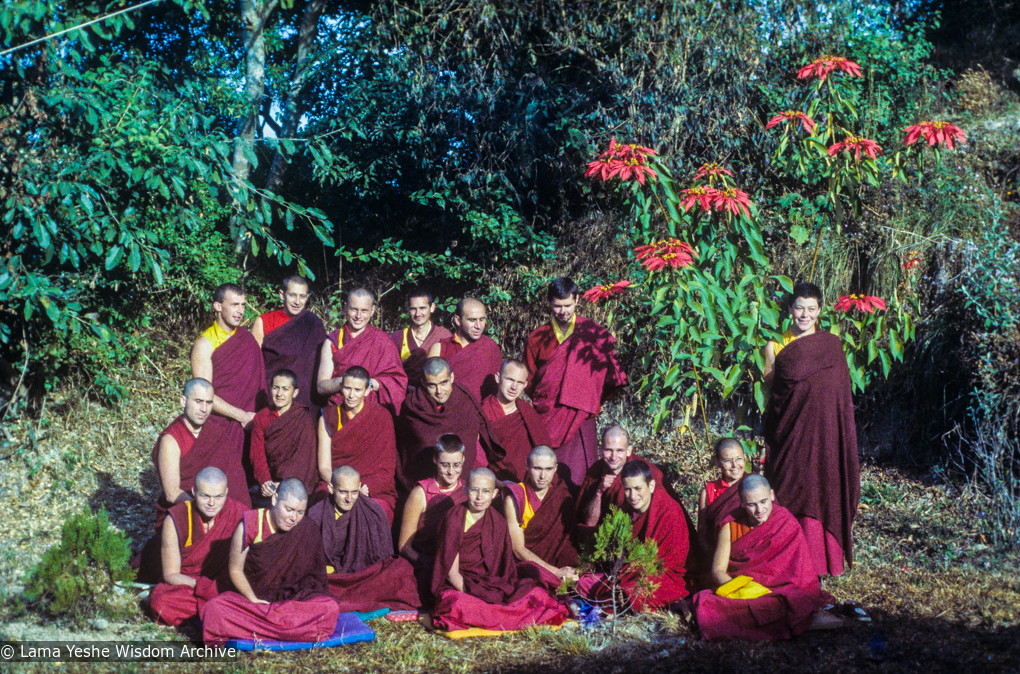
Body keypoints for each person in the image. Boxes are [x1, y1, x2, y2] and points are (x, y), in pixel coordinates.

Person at [763, 282, 860, 577]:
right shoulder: (774, 346)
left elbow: (840, 396)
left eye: (811, 309)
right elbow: (773, 395)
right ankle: (787, 561)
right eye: (798, 308)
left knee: (822, 487)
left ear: (819, 311)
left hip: (825, 433)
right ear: (790, 310)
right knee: (789, 488)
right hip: (789, 432)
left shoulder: (831, 347)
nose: (804, 315)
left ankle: (819, 562)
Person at [691, 474, 843, 641]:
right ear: (741, 503)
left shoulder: (785, 521)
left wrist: (766, 595)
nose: (759, 510)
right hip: (743, 591)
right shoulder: (730, 524)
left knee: (796, 600)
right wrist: (748, 592)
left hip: (782, 592)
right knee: (706, 601)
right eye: (751, 505)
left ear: (771, 495)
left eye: (764, 501)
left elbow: (801, 577)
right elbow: (718, 571)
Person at [200, 479, 340, 644]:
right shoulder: (249, 525)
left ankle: (261, 627)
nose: (293, 518)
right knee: (215, 609)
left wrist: (291, 604)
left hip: (291, 603)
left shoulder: (307, 528)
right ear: (274, 500)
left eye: (300, 512)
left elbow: (314, 581)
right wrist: (253, 600)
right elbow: (235, 570)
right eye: (288, 509)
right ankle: (291, 629)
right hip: (253, 602)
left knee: (330, 608)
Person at [430, 468, 569, 631]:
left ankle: (497, 612)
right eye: (475, 490)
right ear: (466, 490)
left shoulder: (498, 522)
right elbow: (451, 574)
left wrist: (495, 593)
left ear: (495, 493)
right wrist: (478, 596)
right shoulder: (454, 520)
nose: (480, 497)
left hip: (491, 584)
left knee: (537, 592)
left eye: (486, 491)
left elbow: (504, 571)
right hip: (463, 586)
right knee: (455, 604)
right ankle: (506, 614)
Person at [525, 278, 627, 486]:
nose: (563, 311)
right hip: (549, 414)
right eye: (557, 306)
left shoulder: (594, 334)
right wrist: (548, 398)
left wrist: (588, 397)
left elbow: (612, 376)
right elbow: (529, 380)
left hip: (581, 417)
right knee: (546, 475)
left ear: (577, 300)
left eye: (568, 305)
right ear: (549, 303)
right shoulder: (537, 338)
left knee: (581, 474)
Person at [190, 283, 264, 507]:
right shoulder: (204, 344)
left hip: (250, 421)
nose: (240, 311)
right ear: (217, 306)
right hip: (220, 425)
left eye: (243, 305)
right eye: (234, 305)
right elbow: (204, 396)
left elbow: (257, 384)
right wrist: (242, 416)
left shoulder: (247, 338)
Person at [307, 466, 421, 613]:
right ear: (330, 488)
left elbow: (383, 558)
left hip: (364, 576)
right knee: (313, 583)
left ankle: (344, 599)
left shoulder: (373, 510)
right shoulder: (316, 514)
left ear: (360, 487)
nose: (349, 499)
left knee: (401, 568)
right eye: (343, 492)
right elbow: (311, 562)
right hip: (335, 578)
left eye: (354, 492)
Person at [147, 468, 246, 626]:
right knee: (161, 603)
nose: (211, 504)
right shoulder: (176, 518)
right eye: (205, 496)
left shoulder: (239, 513)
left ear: (226, 492)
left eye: (218, 497)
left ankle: (219, 609)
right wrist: (206, 588)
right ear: (193, 491)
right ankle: (223, 611)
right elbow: (170, 574)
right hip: (190, 585)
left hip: (225, 584)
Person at [395, 357, 503, 492]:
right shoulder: (413, 404)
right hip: (424, 483)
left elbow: (475, 433)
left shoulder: (463, 397)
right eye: (432, 385)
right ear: (422, 382)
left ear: (452, 377)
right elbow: (405, 446)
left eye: (443, 383)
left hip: (463, 480)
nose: (439, 391)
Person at [317, 366, 398, 522]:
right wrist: (345, 488)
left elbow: (387, 468)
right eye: (347, 388)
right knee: (322, 507)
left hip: (370, 485)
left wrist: (366, 487)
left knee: (377, 511)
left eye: (358, 390)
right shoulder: (328, 417)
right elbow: (324, 468)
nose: (351, 395)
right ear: (340, 387)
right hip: (336, 482)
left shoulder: (381, 417)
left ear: (368, 391)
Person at [614, 460, 695, 610]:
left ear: (651, 486)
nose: (633, 496)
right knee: (593, 585)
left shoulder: (668, 510)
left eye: (638, 488)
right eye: (627, 489)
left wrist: (630, 571)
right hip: (634, 572)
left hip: (668, 576)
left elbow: (670, 563)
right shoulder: (626, 509)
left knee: (630, 594)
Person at [317, 288, 407, 415]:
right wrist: (346, 382)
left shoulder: (383, 341)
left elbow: (397, 382)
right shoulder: (333, 341)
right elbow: (321, 386)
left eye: (364, 310)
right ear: (345, 307)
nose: (359, 316)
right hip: (339, 411)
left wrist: (368, 382)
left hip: (372, 412)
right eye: (354, 309)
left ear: (373, 310)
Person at [398, 435, 468, 587]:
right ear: (435, 460)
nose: (451, 471)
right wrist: (435, 567)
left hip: (463, 566)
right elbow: (404, 546)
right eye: (445, 465)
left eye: (456, 465)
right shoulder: (420, 493)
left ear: (463, 459)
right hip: (428, 565)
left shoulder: (468, 492)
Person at [503, 446, 578, 585]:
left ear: (555, 468)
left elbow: (566, 542)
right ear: (527, 467)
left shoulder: (561, 496)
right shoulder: (516, 496)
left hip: (557, 562)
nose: (543, 476)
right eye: (537, 469)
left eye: (548, 469)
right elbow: (518, 549)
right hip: (526, 566)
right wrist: (555, 572)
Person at [576, 426, 674, 532]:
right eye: (609, 450)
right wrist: (599, 492)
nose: (613, 457)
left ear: (628, 451)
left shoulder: (644, 472)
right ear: (600, 450)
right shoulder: (595, 472)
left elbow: (662, 513)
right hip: (605, 536)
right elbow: (589, 523)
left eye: (619, 450)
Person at [251, 275, 328, 409]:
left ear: (307, 297)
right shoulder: (264, 322)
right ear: (282, 295)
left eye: (302, 296)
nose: (297, 301)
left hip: (305, 398)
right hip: (272, 395)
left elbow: (320, 365)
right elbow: (253, 364)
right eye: (292, 295)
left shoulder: (313, 323)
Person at [249, 369, 320, 500]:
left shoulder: (303, 417)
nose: (279, 394)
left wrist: (284, 485)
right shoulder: (261, 417)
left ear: (295, 392)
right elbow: (257, 455)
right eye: (276, 388)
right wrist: (265, 481)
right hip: (271, 479)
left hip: (296, 479)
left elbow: (304, 459)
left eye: (285, 389)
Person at [482, 360, 552, 482]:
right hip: (494, 479)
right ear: (498, 378)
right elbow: (478, 454)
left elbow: (543, 448)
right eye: (510, 379)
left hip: (530, 479)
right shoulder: (484, 411)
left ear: (525, 385)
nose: (514, 387)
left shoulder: (528, 412)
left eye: (519, 382)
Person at [427, 297, 502, 402]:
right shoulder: (439, 349)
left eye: (482, 319)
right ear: (458, 320)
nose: (478, 326)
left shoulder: (490, 346)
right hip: (449, 413)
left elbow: (499, 389)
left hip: (482, 414)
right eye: (472, 320)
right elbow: (430, 390)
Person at [696, 438, 747, 564]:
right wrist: (716, 558)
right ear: (717, 463)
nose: (735, 465)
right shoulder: (709, 491)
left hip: (751, 553)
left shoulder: (755, 484)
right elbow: (703, 534)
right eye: (728, 461)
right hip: (718, 557)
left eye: (739, 458)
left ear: (745, 457)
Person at [390, 288, 452, 391]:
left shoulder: (444, 335)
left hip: (435, 394)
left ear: (432, 307)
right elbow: (391, 372)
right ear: (408, 309)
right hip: (404, 393)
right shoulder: (398, 337)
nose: (418, 314)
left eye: (422, 308)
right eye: (413, 309)